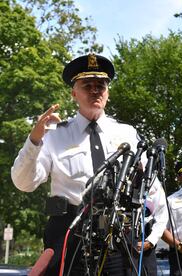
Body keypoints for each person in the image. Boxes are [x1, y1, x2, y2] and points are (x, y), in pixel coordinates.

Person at [11, 53, 167, 276]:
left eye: (101, 85)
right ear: (74, 93)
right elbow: (23, 183)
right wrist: (34, 139)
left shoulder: (127, 133)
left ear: (108, 93)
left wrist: (149, 234)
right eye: (87, 85)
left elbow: (153, 191)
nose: (95, 90)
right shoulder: (55, 135)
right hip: (69, 231)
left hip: (116, 235)